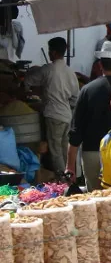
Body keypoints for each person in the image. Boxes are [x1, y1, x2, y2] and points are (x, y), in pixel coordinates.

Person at [67, 44, 111, 191]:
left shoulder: (87, 90)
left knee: (95, 200)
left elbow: (75, 131)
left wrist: (70, 166)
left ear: (100, 64)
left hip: (92, 153)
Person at [25, 37, 79, 174]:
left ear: (54, 53)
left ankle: (63, 180)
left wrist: (27, 91)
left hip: (53, 115)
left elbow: (28, 81)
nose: (49, 53)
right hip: (67, 115)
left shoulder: (48, 69)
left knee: (55, 152)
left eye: (50, 51)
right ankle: (70, 176)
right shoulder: (70, 72)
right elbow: (75, 97)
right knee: (64, 150)